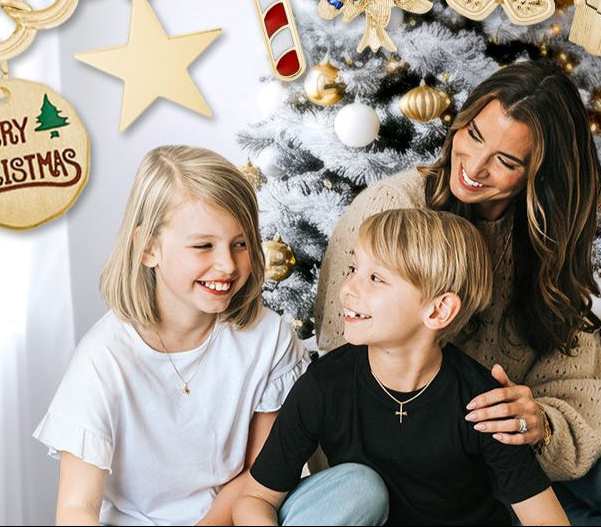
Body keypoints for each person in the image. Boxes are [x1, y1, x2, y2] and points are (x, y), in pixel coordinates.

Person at [315, 60, 601, 525]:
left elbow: (574, 374)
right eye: (474, 135)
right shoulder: (388, 210)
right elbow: (345, 359)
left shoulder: (549, 233)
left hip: (561, 420)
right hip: (450, 451)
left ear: (537, 172)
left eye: (506, 161)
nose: (474, 167)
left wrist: (540, 422)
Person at [234, 208, 569, 526]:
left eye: (375, 278)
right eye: (353, 269)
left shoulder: (483, 404)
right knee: (358, 487)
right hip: (364, 506)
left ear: (438, 311)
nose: (347, 288)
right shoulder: (324, 386)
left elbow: (546, 518)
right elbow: (255, 498)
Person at [33, 145, 308, 525]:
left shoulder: (268, 337)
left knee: (350, 488)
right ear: (148, 249)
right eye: (203, 246)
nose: (227, 264)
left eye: (240, 243)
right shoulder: (104, 356)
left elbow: (259, 477)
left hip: (235, 517)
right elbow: (76, 508)